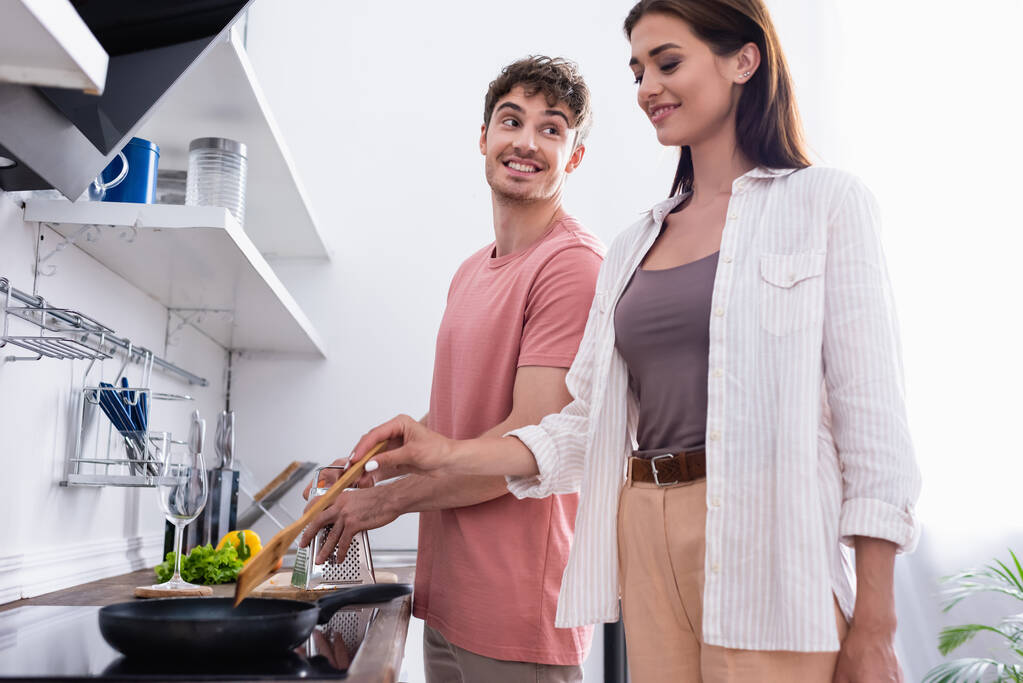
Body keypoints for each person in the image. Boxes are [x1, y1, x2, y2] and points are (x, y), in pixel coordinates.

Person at [350, 2, 923, 682]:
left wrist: (877, 623)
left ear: (744, 60)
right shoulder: (633, 244)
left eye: (667, 62)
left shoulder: (825, 204)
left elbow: (874, 428)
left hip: (768, 549)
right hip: (645, 542)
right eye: (637, 70)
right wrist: (442, 449)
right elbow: (580, 428)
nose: (647, 87)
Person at [300, 56, 604, 682]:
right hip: (446, 599)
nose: (525, 141)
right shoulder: (471, 270)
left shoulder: (572, 267)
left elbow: (527, 442)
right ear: (484, 138)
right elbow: (461, 421)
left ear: (573, 157)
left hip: (517, 612)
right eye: (511, 120)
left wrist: (389, 502)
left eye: (552, 128)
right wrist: (368, 472)